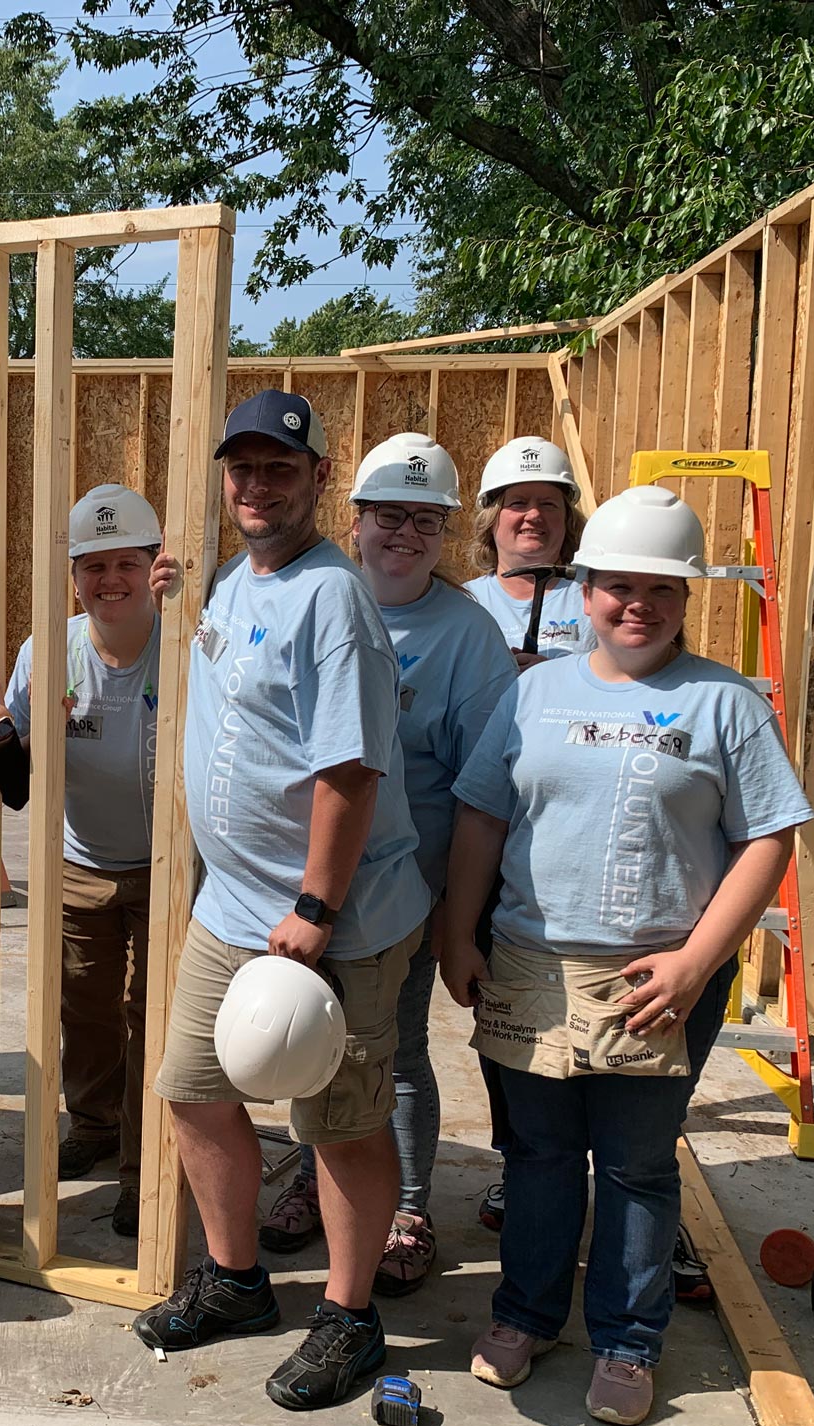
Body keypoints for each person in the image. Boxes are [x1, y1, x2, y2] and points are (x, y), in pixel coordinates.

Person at [436, 485, 812, 1426]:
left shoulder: (724, 702)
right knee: (538, 1154)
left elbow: (767, 840)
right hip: (531, 963)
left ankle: (628, 1342)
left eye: (661, 588)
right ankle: (526, 1316)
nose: (635, 605)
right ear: (586, 588)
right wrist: (457, 932)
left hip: (657, 973)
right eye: (616, 587)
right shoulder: (536, 692)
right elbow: (483, 815)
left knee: (639, 1164)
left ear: (687, 597)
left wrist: (695, 965)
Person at [132, 391, 433, 1413]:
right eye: (242, 470)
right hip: (231, 906)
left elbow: (348, 772)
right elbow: (230, 667)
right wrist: (181, 592)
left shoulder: (332, 602)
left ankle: (347, 1320)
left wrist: (315, 903)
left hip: (329, 919)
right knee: (190, 1086)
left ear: (319, 479)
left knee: (336, 1122)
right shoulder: (232, 578)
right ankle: (235, 1281)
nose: (256, 488)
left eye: (278, 470)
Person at [258, 434, 516, 1296]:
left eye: (425, 521)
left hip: (400, 893)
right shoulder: (311, 596)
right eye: (389, 517)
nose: (405, 535)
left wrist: (456, 921)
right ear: (356, 519)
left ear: (445, 533)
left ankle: (406, 1207)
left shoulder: (465, 637)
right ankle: (315, 1175)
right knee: (307, 1048)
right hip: (295, 888)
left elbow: (484, 789)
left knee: (392, 1054)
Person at [0, 485, 169, 1239]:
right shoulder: (51, 650)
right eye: (93, 567)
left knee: (151, 1019)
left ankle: (142, 1167)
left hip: (169, 865)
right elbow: (18, 788)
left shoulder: (189, 642)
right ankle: (96, 1125)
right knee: (84, 1005)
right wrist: (7, 726)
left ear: (153, 565)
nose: (110, 582)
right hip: (80, 861)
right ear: (73, 575)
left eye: (126, 564)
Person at [463, 437, 596, 668]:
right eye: (518, 503)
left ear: (567, 519)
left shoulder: (597, 594)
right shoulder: (464, 603)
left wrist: (553, 677)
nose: (534, 515)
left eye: (548, 504)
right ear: (491, 519)